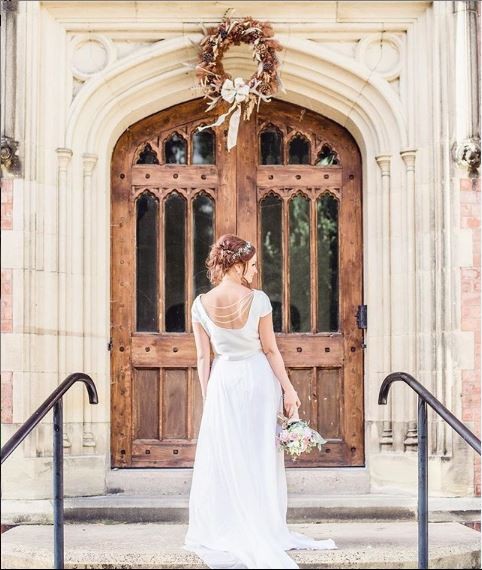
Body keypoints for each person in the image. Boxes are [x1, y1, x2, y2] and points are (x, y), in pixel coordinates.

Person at [183, 234, 337, 569]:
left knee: (228, 455)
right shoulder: (259, 300)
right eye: (251, 265)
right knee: (259, 455)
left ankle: (231, 523)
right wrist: (289, 389)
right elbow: (269, 350)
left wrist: (209, 397)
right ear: (236, 265)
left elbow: (201, 357)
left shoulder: (199, 304)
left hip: (223, 382)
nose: (253, 272)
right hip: (256, 380)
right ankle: (264, 526)